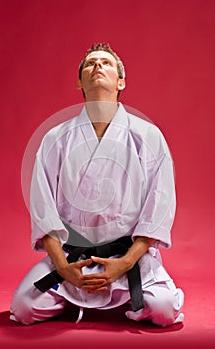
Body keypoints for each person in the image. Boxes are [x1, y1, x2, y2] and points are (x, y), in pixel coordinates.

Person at [10, 43, 184, 327]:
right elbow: (44, 211)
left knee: (164, 310)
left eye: (106, 63)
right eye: (90, 64)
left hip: (127, 256)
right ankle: (71, 292)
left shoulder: (148, 136)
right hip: (71, 256)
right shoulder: (56, 138)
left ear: (121, 81)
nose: (98, 67)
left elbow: (158, 208)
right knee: (24, 309)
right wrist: (64, 268)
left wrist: (125, 263)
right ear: (80, 81)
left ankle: (124, 291)